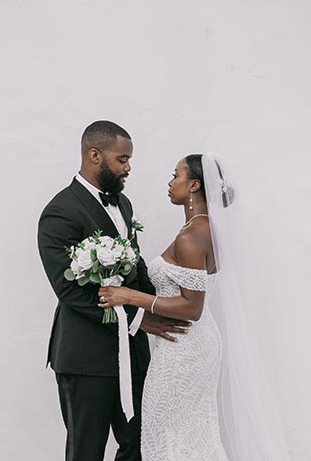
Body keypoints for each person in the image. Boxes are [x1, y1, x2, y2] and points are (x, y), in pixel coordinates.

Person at [37, 121, 190, 461]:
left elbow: (133, 267)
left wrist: (166, 303)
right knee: (86, 452)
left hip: (133, 356)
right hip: (85, 357)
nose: (128, 168)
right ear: (94, 156)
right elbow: (69, 291)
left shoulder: (123, 204)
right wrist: (138, 319)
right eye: (122, 159)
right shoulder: (59, 212)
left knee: (141, 445)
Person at [97, 154, 227, 461]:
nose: (170, 183)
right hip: (191, 342)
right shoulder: (205, 229)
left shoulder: (193, 235)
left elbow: (192, 307)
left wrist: (129, 296)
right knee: (187, 432)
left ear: (194, 185)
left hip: (185, 345)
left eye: (176, 175)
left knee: (166, 430)